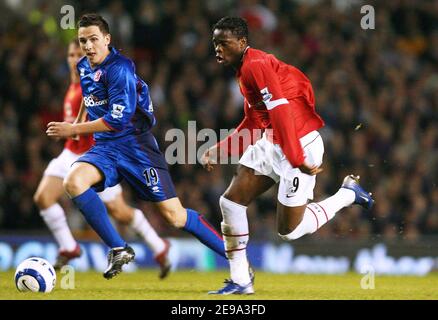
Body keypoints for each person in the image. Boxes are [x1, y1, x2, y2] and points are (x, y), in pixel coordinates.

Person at [202, 17, 374, 295]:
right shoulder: (244, 70)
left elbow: (281, 109)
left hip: (299, 142)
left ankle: (348, 194)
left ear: (242, 42)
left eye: (224, 43)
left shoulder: (256, 65)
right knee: (231, 202)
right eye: (215, 43)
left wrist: (295, 157)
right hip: (273, 141)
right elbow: (255, 121)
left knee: (289, 231)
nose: (218, 49)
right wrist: (222, 148)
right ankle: (240, 280)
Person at [46, 13, 226, 280]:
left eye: (94, 39)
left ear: (107, 39)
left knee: (174, 216)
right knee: (73, 182)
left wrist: (73, 129)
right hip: (105, 147)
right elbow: (89, 94)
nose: (88, 46)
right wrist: (78, 120)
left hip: (136, 147)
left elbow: (116, 120)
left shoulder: (120, 68)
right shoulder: (84, 66)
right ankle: (119, 247)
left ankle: (235, 255)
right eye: (83, 40)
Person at [35, 39, 171, 279]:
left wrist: (75, 129)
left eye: (80, 53)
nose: (76, 58)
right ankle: (69, 246)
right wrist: (73, 129)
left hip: (95, 156)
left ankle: (158, 246)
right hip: (70, 152)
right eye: (71, 54)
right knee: (43, 197)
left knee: (121, 212)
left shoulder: (99, 81)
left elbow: (109, 116)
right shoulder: (73, 87)